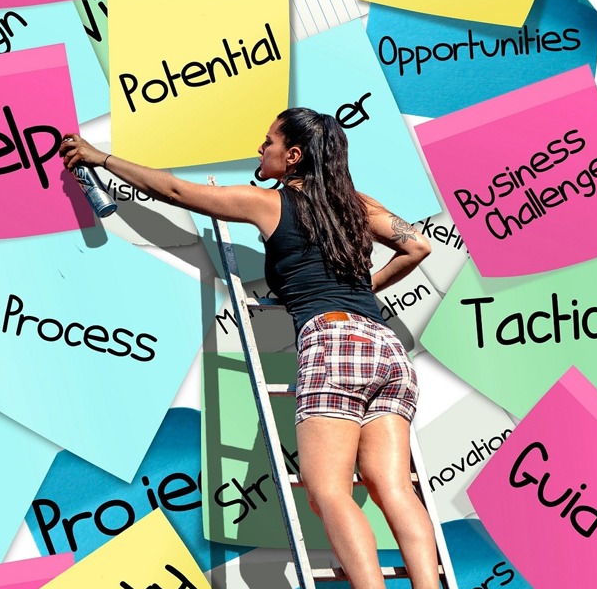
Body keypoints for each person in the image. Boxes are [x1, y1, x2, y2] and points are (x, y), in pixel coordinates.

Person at [59, 107, 438, 589]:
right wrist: (366, 288)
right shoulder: (357, 204)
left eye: (269, 142)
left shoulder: (271, 204)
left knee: (328, 492)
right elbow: (418, 248)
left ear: (293, 156)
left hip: (332, 340)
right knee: (393, 486)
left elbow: (176, 192)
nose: (261, 150)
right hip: (385, 347)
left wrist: (100, 158)